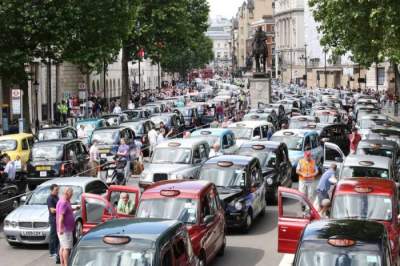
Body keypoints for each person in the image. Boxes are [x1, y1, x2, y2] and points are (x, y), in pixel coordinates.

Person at [56, 187, 79, 266]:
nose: (72, 195)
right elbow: (61, 217)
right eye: (71, 194)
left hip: (65, 229)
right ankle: (66, 264)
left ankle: (62, 263)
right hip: (65, 230)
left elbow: (67, 211)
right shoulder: (64, 202)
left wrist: (74, 208)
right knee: (67, 248)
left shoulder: (65, 201)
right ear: (67, 193)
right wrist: (61, 228)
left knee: (62, 247)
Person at [47, 184, 60, 263]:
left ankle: (56, 250)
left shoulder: (57, 197)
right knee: (53, 235)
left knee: (57, 236)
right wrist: (61, 209)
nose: (57, 191)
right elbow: (52, 210)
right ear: (51, 190)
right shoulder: (50, 198)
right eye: (56, 190)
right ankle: (52, 252)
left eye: (58, 189)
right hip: (53, 219)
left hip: (58, 218)